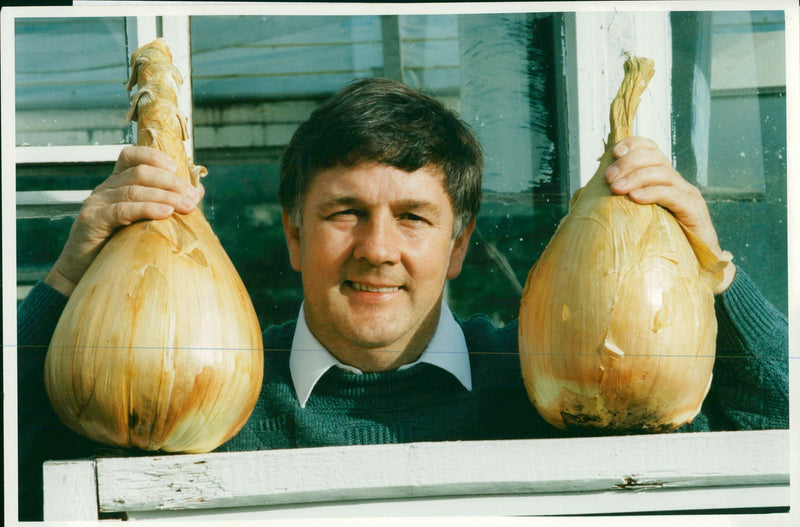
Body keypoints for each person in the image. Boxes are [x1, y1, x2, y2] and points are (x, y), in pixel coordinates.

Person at [17, 78, 788, 520]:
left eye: (413, 217)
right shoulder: (208, 400)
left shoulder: (550, 386)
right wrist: (63, 280)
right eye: (343, 212)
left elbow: (775, 427)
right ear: (292, 235)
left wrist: (712, 266)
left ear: (457, 247)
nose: (377, 248)